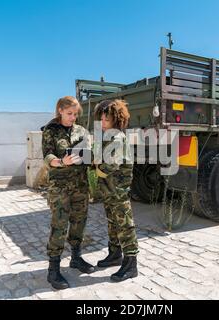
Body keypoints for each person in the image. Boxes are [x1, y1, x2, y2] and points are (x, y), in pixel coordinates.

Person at [41, 96, 94, 290]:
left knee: (79, 222)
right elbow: (47, 157)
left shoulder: (82, 131)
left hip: (80, 185)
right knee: (59, 225)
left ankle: (76, 258)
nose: (73, 117)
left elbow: (89, 151)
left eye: (75, 114)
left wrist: (90, 157)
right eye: (70, 113)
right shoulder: (50, 131)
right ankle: (53, 269)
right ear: (60, 111)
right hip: (60, 187)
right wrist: (63, 161)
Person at [94, 99, 139, 282]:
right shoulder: (108, 136)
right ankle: (114, 255)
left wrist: (98, 168)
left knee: (124, 225)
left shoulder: (117, 138)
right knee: (113, 223)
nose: (102, 123)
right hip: (109, 190)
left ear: (115, 120)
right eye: (101, 120)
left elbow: (109, 165)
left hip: (117, 190)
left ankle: (131, 264)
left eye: (106, 120)